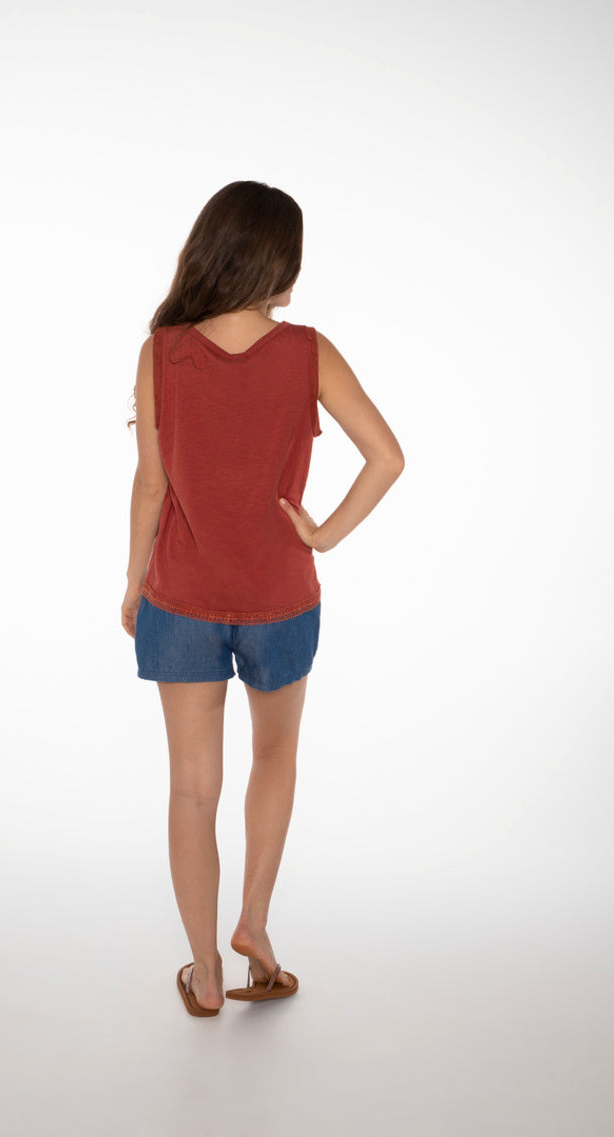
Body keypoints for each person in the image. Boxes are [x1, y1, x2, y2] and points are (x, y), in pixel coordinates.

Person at [121, 181, 405, 1016]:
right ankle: (252, 922)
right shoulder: (308, 352)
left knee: (190, 787)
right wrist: (322, 535)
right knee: (274, 755)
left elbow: (150, 484)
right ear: (276, 261)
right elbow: (386, 456)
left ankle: (205, 972)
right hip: (280, 595)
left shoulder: (162, 351)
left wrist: (135, 580)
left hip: (182, 597)